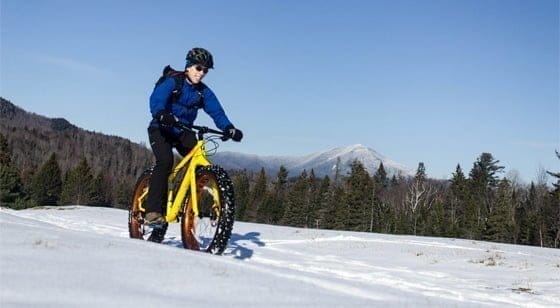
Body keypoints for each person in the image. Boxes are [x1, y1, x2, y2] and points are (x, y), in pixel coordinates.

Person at [145, 47, 243, 225]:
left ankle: (189, 203)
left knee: (199, 161)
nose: (202, 73)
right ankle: (152, 211)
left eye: (205, 70)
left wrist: (229, 128)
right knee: (165, 162)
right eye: (199, 68)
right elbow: (156, 99)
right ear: (188, 67)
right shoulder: (174, 82)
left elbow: (217, 112)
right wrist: (161, 113)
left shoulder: (203, 92)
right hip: (161, 128)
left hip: (183, 131)